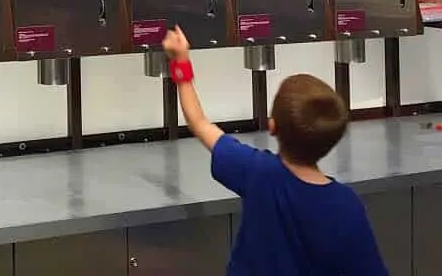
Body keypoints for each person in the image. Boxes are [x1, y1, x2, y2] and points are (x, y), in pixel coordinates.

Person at [162, 25, 387, 276]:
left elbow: (199, 123)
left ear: (272, 127)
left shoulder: (258, 173)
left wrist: (181, 61)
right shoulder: (346, 205)